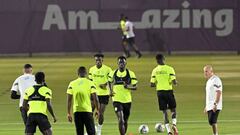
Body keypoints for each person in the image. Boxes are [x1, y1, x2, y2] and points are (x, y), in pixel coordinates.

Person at [108, 56, 138, 135]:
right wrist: (110, 91)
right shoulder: (113, 73)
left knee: (125, 120)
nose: (121, 64)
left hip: (127, 100)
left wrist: (128, 86)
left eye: (123, 63)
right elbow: (108, 82)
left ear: (126, 63)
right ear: (117, 63)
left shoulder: (130, 73)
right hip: (116, 100)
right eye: (120, 62)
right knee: (120, 119)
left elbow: (135, 87)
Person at [150, 54, 178, 135]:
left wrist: (159, 83)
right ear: (164, 59)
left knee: (164, 112)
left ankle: (169, 131)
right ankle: (174, 124)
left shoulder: (155, 70)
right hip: (169, 91)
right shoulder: (170, 69)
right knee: (173, 109)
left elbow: (152, 84)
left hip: (160, 93)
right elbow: (174, 82)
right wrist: (175, 82)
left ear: (156, 60)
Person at [67, 66, 100, 135]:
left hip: (77, 112)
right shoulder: (90, 83)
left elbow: (69, 100)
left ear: (77, 73)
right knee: (91, 132)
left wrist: (68, 113)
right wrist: (97, 110)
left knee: (79, 133)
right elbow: (95, 98)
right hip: (87, 111)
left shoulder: (72, 84)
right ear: (86, 73)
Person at [89, 54, 112, 135]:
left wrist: (105, 85)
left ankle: (98, 130)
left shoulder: (108, 69)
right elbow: (90, 82)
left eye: (99, 60)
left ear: (102, 60)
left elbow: (111, 80)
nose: (98, 62)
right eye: (96, 60)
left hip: (104, 95)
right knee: (89, 113)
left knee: (101, 113)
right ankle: (91, 129)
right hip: (94, 94)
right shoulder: (91, 69)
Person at [203, 65, 223, 135]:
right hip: (210, 105)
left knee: (212, 121)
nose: (205, 73)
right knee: (211, 121)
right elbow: (209, 95)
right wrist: (206, 106)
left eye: (206, 71)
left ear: (211, 71)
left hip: (215, 104)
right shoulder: (209, 81)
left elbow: (219, 92)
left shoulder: (216, 80)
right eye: (204, 71)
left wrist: (215, 104)